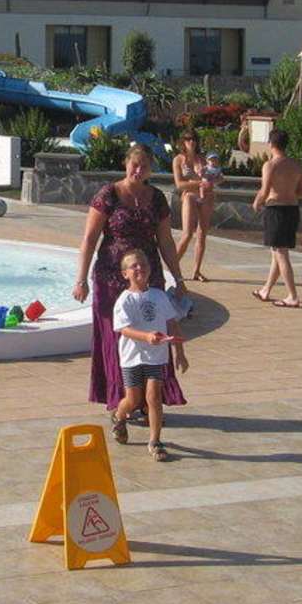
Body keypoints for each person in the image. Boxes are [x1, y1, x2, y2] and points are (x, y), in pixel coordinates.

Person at [73, 143, 188, 413]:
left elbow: (166, 241)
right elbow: (89, 239)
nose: (138, 170)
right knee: (117, 339)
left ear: (150, 169)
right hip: (111, 280)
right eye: (134, 164)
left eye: (144, 166)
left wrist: (179, 279)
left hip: (148, 277)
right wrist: (81, 280)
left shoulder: (157, 198)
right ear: (126, 163)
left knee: (153, 334)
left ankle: (150, 400)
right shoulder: (108, 195)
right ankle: (123, 399)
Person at [110, 250, 188, 461]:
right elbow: (123, 329)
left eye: (143, 264)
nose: (139, 268)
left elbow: (172, 323)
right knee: (133, 399)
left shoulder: (159, 296)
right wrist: (146, 336)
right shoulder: (124, 300)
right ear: (125, 273)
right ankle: (119, 416)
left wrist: (180, 352)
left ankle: (155, 441)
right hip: (132, 357)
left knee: (154, 397)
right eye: (133, 266)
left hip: (156, 356)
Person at [251, 129, 302, 308]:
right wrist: (289, 191)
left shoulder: (270, 165)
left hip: (276, 209)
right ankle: (266, 290)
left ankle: (292, 296)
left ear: (271, 144)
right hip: (292, 209)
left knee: (281, 253)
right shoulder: (296, 165)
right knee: (276, 252)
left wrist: (257, 202)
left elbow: (265, 189)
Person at [171, 130, 216, 282]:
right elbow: (179, 184)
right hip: (190, 196)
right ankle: (172, 267)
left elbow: (212, 178)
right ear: (183, 142)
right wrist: (198, 183)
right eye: (188, 139)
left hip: (206, 195)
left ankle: (196, 271)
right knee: (187, 234)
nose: (191, 142)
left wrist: (204, 182)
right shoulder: (178, 160)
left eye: (194, 139)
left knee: (202, 234)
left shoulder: (202, 159)